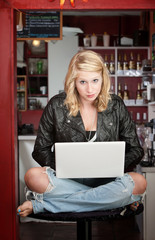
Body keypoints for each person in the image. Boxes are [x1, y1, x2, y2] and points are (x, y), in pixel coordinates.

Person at [17, 50, 147, 217]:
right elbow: (40, 150)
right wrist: (65, 168)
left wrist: (111, 167)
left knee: (139, 181)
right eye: (83, 82)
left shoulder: (116, 105)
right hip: (66, 181)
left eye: (95, 80)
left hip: (108, 180)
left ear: (103, 78)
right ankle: (110, 198)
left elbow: (136, 149)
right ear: (74, 82)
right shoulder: (56, 105)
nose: (90, 88)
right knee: (32, 176)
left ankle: (43, 205)